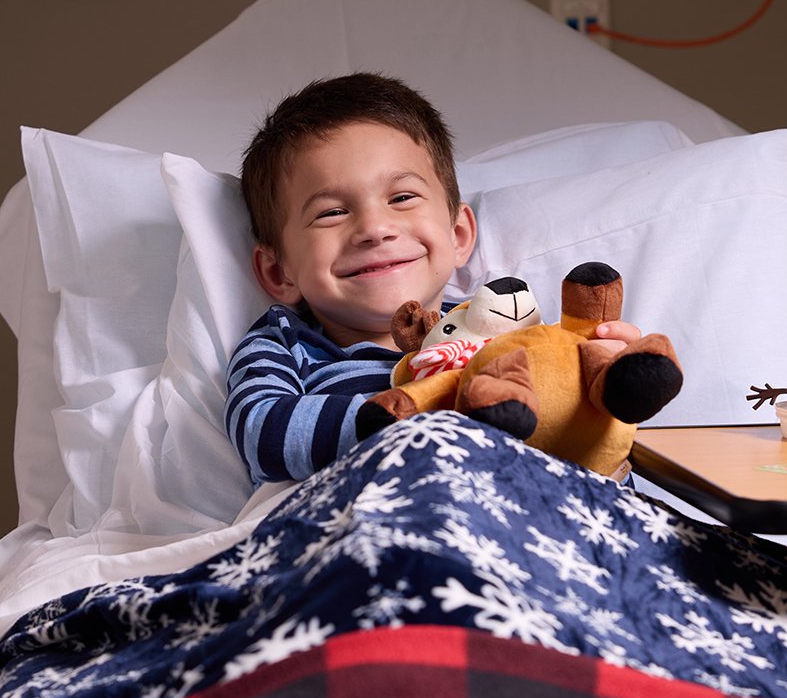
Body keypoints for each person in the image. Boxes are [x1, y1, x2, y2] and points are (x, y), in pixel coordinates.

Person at [226, 72, 642, 484]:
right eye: (332, 212)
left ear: (458, 235)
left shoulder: (509, 331)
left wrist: (600, 403)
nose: (375, 228)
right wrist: (431, 411)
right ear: (280, 272)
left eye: (402, 198)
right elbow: (261, 434)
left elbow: (586, 470)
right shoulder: (286, 343)